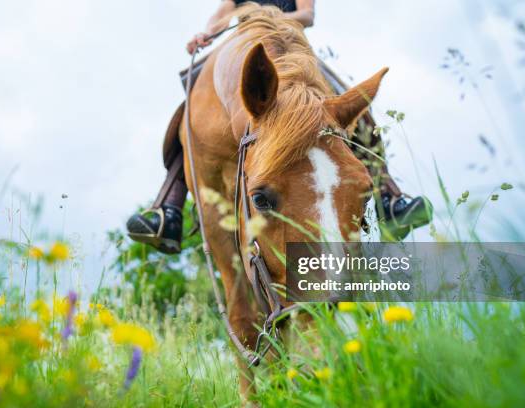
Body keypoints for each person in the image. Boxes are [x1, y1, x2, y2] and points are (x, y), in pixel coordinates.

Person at [126, 0, 432, 253]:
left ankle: (387, 198)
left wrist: (263, 16)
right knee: (191, 112)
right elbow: (219, 16)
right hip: (242, 47)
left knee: (351, 102)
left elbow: (307, 15)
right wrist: (207, 32)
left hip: (290, 47)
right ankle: (169, 206)